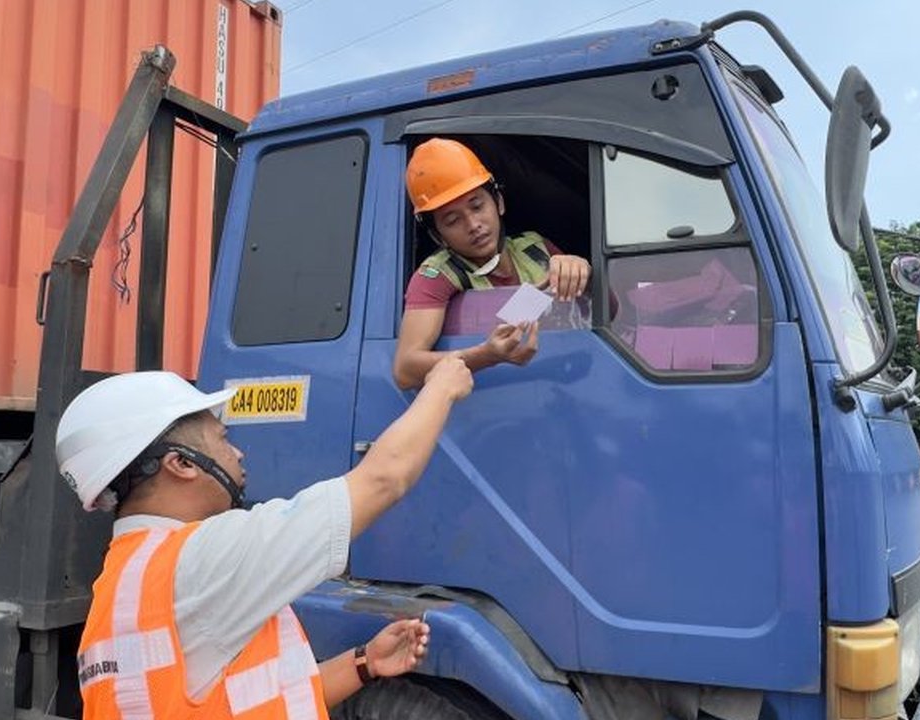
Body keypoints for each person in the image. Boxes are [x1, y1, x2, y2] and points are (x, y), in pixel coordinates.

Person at [56, 355, 473, 717]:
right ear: (181, 464)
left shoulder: (126, 579)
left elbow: (245, 702)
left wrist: (363, 664)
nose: (239, 454)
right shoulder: (204, 559)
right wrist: (441, 386)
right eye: (223, 439)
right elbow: (384, 479)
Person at [393, 137, 592, 389]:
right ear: (437, 235)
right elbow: (405, 369)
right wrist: (486, 355)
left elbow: (611, 313)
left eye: (477, 206)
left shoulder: (535, 247)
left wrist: (583, 272)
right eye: (453, 220)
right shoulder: (434, 277)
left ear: (498, 201)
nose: (473, 225)